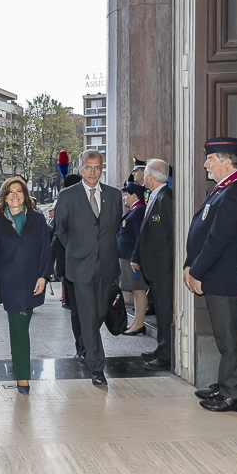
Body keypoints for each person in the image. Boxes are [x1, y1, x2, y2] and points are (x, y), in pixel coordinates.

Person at [185, 137, 237, 413]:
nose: (206, 164)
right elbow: (201, 230)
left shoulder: (236, 192)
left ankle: (234, 393)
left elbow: (218, 239)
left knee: (228, 337)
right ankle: (225, 384)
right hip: (213, 272)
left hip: (223, 275)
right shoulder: (223, 189)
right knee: (222, 336)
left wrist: (196, 271)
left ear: (227, 162)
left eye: (210, 159)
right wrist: (189, 264)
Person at [54, 150, 123, 386]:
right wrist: (78, 249)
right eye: (88, 167)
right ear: (80, 168)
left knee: (99, 312)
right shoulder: (67, 196)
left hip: (107, 265)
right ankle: (97, 367)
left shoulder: (114, 195)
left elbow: (114, 228)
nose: (93, 172)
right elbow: (61, 230)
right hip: (80, 266)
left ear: (102, 169)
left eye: (97, 168)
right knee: (87, 314)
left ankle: (86, 341)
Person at [0, 177, 53, 394]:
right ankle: (23, 377)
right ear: (4, 197)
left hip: (32, 280)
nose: (15, 195)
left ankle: (17, 360)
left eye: (19, 191)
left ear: (25, 195)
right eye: (10, 192)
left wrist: (44, 276)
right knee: (19, 328)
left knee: (21, 326)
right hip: (9, 282)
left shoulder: (38, 218)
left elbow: (46, 248)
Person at [132, 159, 174, 371]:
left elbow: (172, 235)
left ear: (150, 176)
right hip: (155, 269)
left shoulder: (166, 198)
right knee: (160, 311)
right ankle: (161, 348)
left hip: (164, 269)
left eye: (144, 174)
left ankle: (166, 355)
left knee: (165, 312)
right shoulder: (155, 196)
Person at [51, 174, 84, 358]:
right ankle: (81, 346)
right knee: (77, 309)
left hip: (87, 264)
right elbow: (59, 234)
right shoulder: (64, 202)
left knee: (81, 310)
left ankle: (85, 346)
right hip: (72, 265)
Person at [117, 182, 149, 335]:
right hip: (126, 257)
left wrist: (135, 258)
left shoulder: (139, 210)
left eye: (126, 195)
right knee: (135, 290)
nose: (124, 198)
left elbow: (140, 237)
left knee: (139, 290)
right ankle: (136, 322)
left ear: (135, 195)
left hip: (132, 258)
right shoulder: (134, 210)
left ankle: (140, 324)